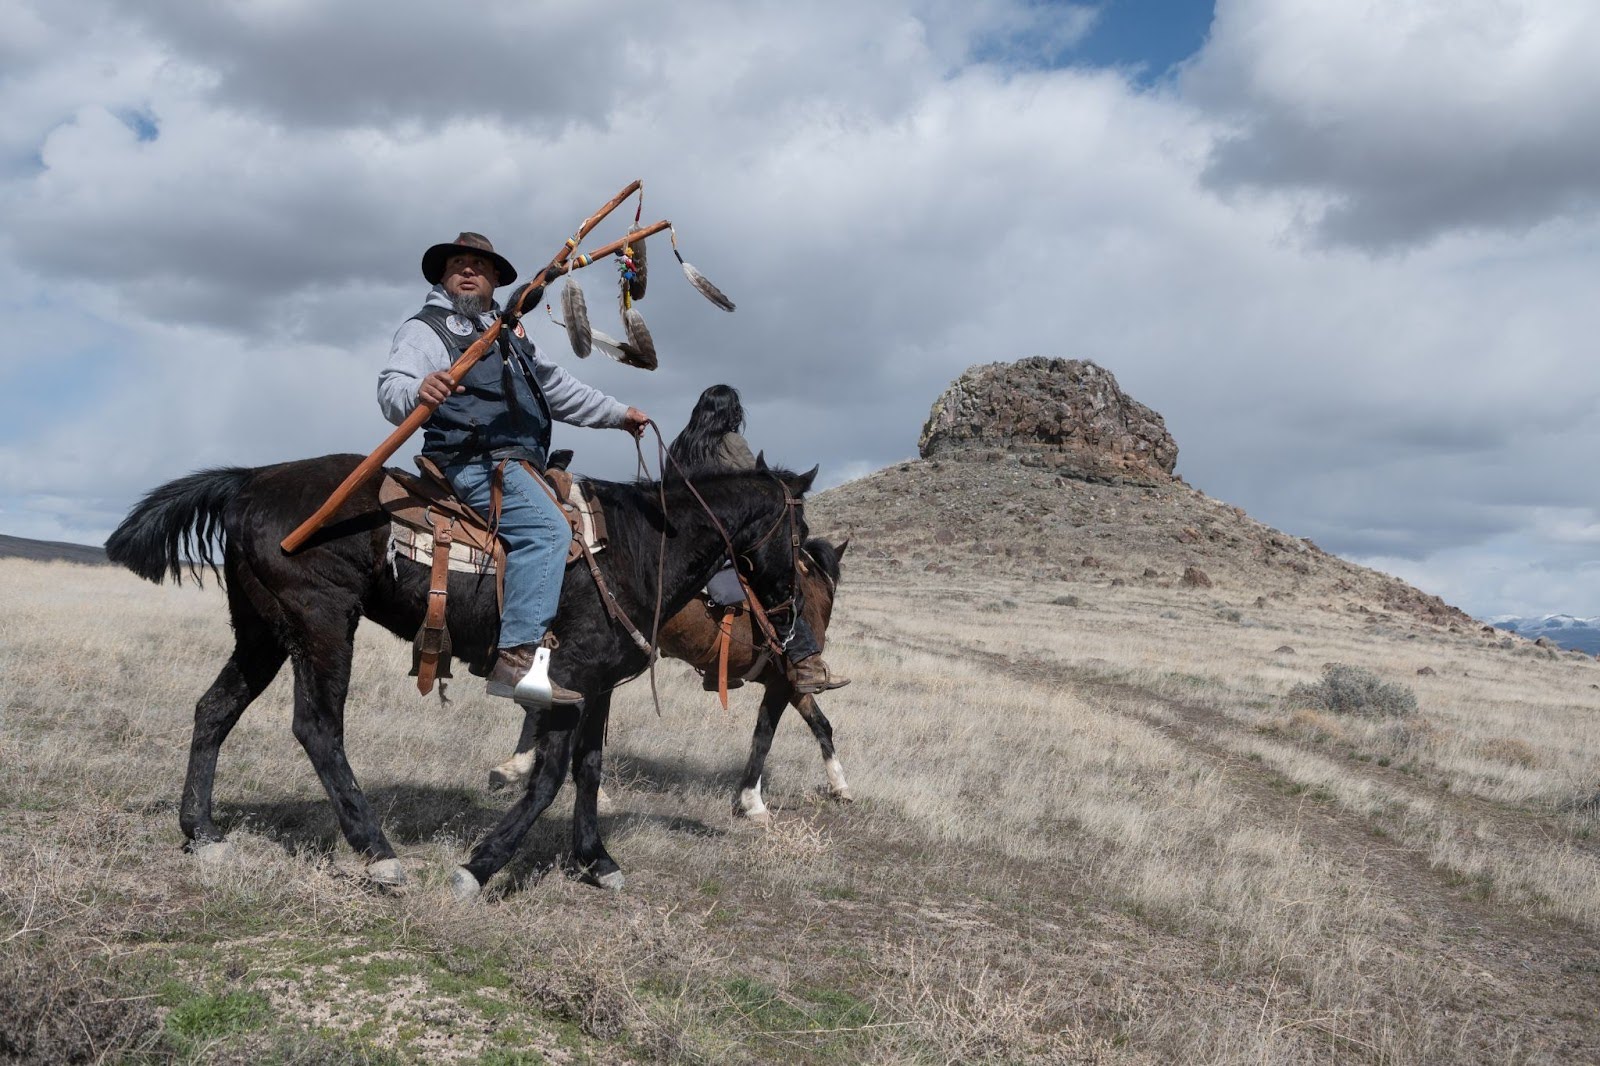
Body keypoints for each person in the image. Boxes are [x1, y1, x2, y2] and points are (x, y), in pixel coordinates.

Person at [378, 232, 649, 703]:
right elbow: (392, 386)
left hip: (520, 463)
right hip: (472, 461)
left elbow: (558, 389)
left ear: (494, 282)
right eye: (458, 263)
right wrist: (418, 390)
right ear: (444, 276)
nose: (468, 270)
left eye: (479, 266)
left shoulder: (508, 332)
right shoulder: (426, 329)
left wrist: (618, 414)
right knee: (546, 531)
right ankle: (516, 660)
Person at [667, 384, 848, 695]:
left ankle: (717, 671)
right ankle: (806, 662)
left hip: (679, 542)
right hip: (721, 539)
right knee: (782, 589)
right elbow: (757, 489)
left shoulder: (679, 446)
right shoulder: (731, 442)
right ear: (732, 413)